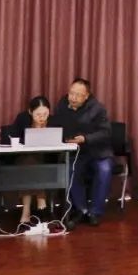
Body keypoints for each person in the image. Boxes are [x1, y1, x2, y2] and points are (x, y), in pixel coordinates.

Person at [52, 78, 113, 227]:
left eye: (78, 95)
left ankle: (95, 211)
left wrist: (85, 138)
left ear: (86, 96)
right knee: (70, 171)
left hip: (98, 151)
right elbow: (56, 127)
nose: (73, 98)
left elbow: (106, 132)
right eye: (71, 93)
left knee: (105, 170)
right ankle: (82, 209)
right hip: (76, 153)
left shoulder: (97, 108)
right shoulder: (62, 106)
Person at [10, 96, 53, 222]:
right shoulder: (22, 119)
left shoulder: (53, 120)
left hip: (47, 161)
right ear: (30, 111)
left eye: (45, 114)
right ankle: (41, 200)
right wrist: (35, 129)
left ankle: (26, 212)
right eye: (38, 114)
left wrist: (44, 129)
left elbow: (60, 141)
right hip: (23, 159)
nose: (42, 117)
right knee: (29, 161)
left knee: (31, 164)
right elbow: (13, 138)